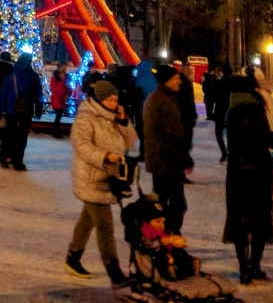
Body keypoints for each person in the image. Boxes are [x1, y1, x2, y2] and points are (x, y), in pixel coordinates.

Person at [64, 79, 137, 286]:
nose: (114, 103)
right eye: (110, 99)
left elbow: (130, 142)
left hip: (109, 178)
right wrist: (105, 156)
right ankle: (114, 271)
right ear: (99, 99)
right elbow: (81, 146)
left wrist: (123, 121)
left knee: (88, 220)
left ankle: (73, 257)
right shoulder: (86, 118)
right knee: (104, 225)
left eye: (116, 100)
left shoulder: (112, 117)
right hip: (91, 177)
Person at [223, 72, 273, 284]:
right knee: (260, 218)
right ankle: (255, 265)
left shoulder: (232, 110)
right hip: (260, 169)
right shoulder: (256, 109)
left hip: (236, 169)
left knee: (238, 218)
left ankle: (243, 268)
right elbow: (264, 138)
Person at [142, 64, 192, 234]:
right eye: (176, 76)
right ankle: (167, 236)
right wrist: (184, 158)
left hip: (161, 159)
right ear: (168, 80)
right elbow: (173, 134)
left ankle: (162, 236)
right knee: (176, 205)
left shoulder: (161, 98)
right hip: (166, 161)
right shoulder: (163, 101)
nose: (179, 79)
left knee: (163, 203)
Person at [0, 53, 43, 171]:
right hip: (26, 110)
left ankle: (6, 157)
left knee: (10, 134)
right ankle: (18, 160)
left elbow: (4, 92)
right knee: (22, 136)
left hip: (11, 109)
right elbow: (38, 94)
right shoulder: (33, 76)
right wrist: (39, 108)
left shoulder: (11, 74)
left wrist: (4, 108)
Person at [205, 65, 230, 162]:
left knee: (218, 134)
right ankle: (229, 150)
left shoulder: (217, 83)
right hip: (230, 111)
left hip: (220, 111)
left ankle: (224, 152)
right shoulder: (233, 83)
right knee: (230, 134)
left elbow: (211, 95)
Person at [49, 62, 71, 138]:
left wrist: (67, 90)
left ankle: (55, 129)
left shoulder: (64, 79)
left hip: (61, 99)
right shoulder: (56, 79)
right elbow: (54, 89)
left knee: (59, 115)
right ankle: (55, 130)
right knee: (58, 115)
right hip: (57, 99)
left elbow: (67, 89)